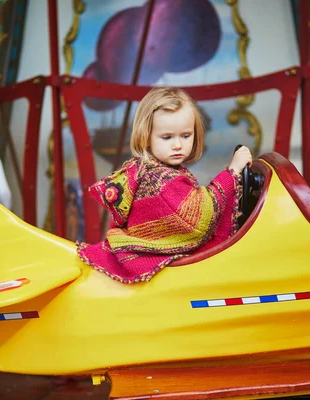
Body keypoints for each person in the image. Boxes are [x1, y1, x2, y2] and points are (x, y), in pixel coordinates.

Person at [77, 86, 252, 283]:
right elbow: (196, 220)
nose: (177, 145)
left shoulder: (148, 169)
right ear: (146, 136)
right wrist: (233, 172)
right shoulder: (159, 180)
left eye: (186, 136)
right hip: (151, 261)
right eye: (167, 137)